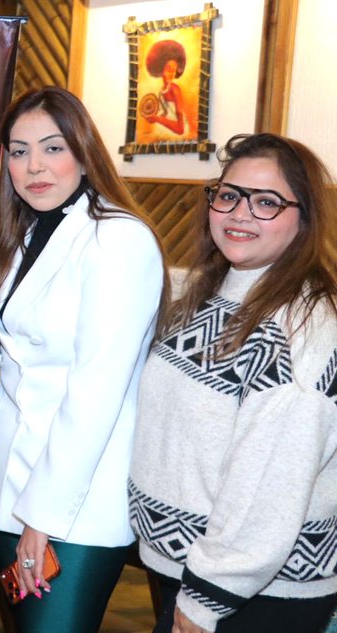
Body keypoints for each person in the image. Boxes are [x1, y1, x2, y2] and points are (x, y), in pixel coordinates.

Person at [129, 133, 337, 633]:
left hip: (251, 595)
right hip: (190, 569)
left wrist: (206, 599)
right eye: (229, 195)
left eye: (266, 202)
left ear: (305, 218)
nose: (240, 214)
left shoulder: (301, 328)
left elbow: (269, 486)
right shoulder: (213, 293)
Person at [0, 86, 165, 633]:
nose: (34, 166)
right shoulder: (31, 233)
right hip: (8, 491)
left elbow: (95, 394)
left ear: (84, 152)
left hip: (71, 508)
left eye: (52, 148)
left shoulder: (117, 240)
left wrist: (43, 517)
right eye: (18, 151)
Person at [143, 40, 187, 136]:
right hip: (164, 132)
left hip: (175, 134)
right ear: (160, 68)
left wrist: (157, 119)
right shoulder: (161, 90)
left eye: (174, 70)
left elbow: (180, 129)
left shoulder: (175, 90)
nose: (171, 74)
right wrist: (152, 116)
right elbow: (165, 113)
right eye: (168, 69)